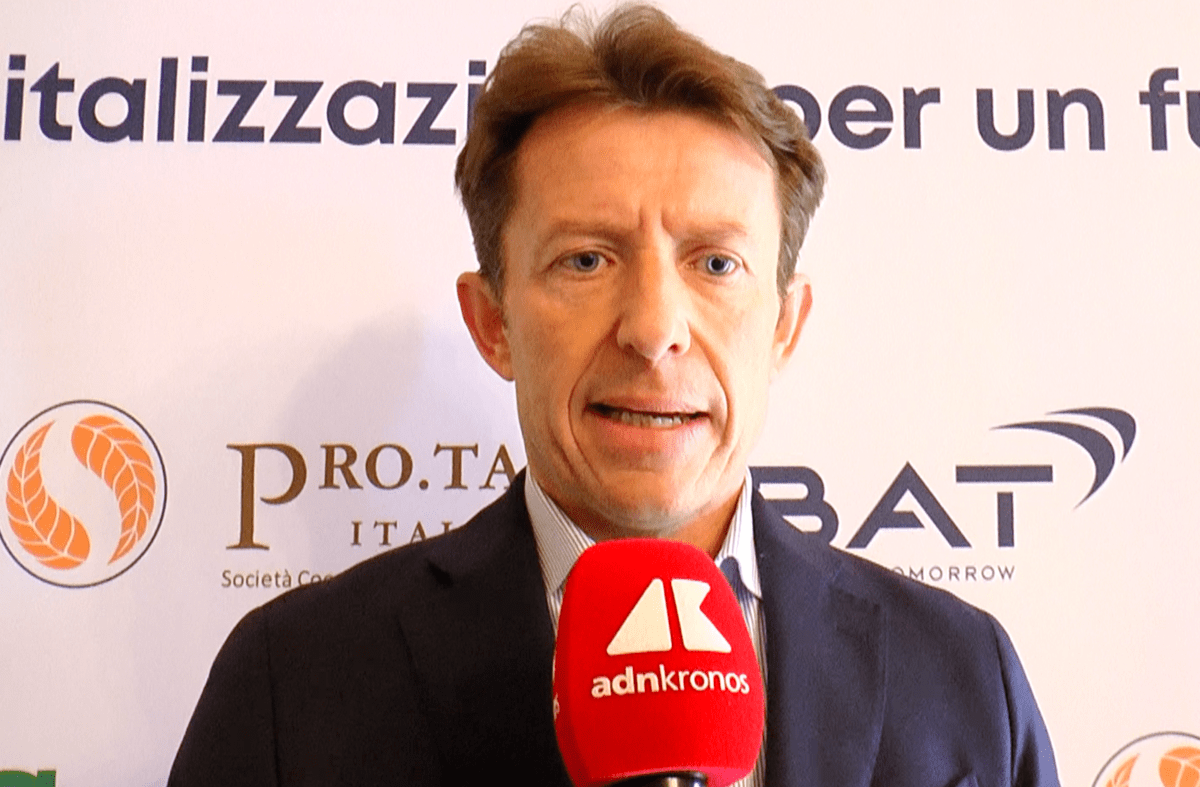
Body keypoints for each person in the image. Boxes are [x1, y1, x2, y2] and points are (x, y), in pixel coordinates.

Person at [168, 5, 1060, 786]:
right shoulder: (292, 681)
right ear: (493, 322)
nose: (653, 328)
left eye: (716, 263)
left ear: (785, 325)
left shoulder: (964, 672)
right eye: (586, 260)